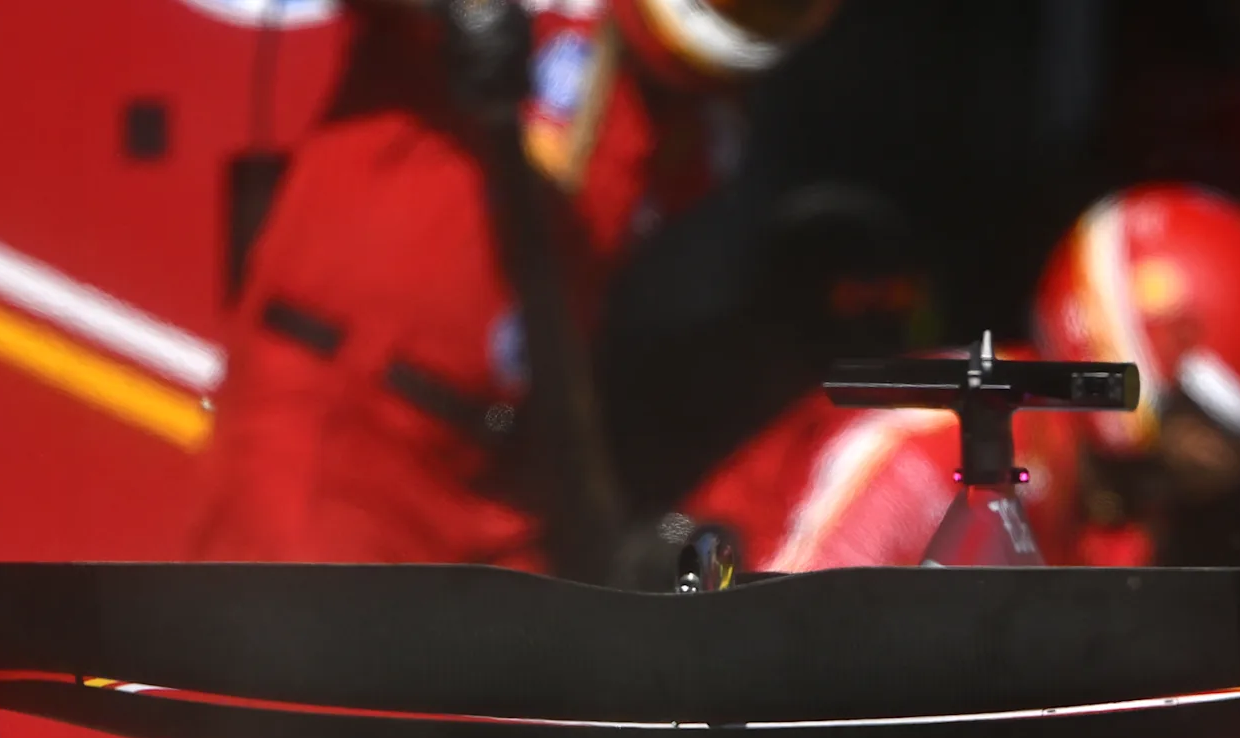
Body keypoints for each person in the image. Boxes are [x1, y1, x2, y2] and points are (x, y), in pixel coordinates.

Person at [190, 0, 836, 567]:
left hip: (496, 471)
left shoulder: (700, 137)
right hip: (342, 420)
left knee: (532, 692)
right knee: (295, 688)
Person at [680, 184, 1240, 573]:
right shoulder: (935, 449)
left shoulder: (1118, 513)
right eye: (1213, 421)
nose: (1227, 459)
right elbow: (770, 663)